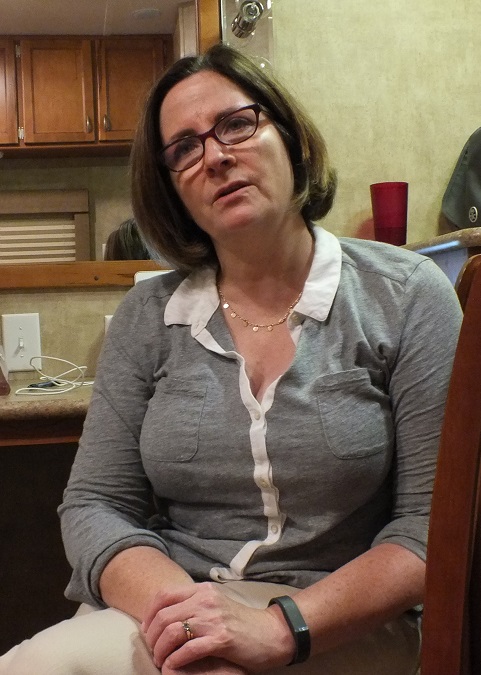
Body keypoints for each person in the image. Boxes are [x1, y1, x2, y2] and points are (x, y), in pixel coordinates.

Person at [0, 44, 462, 675]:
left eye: (237, 125)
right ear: (172, 190)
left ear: (289, 138)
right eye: (184, 149)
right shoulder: (146, 317)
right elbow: (94, 505)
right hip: (168, 605)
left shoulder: (407, 296)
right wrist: (194, 623)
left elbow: (433, 526)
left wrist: (279, 629)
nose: (215, 156)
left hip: (342, 621)